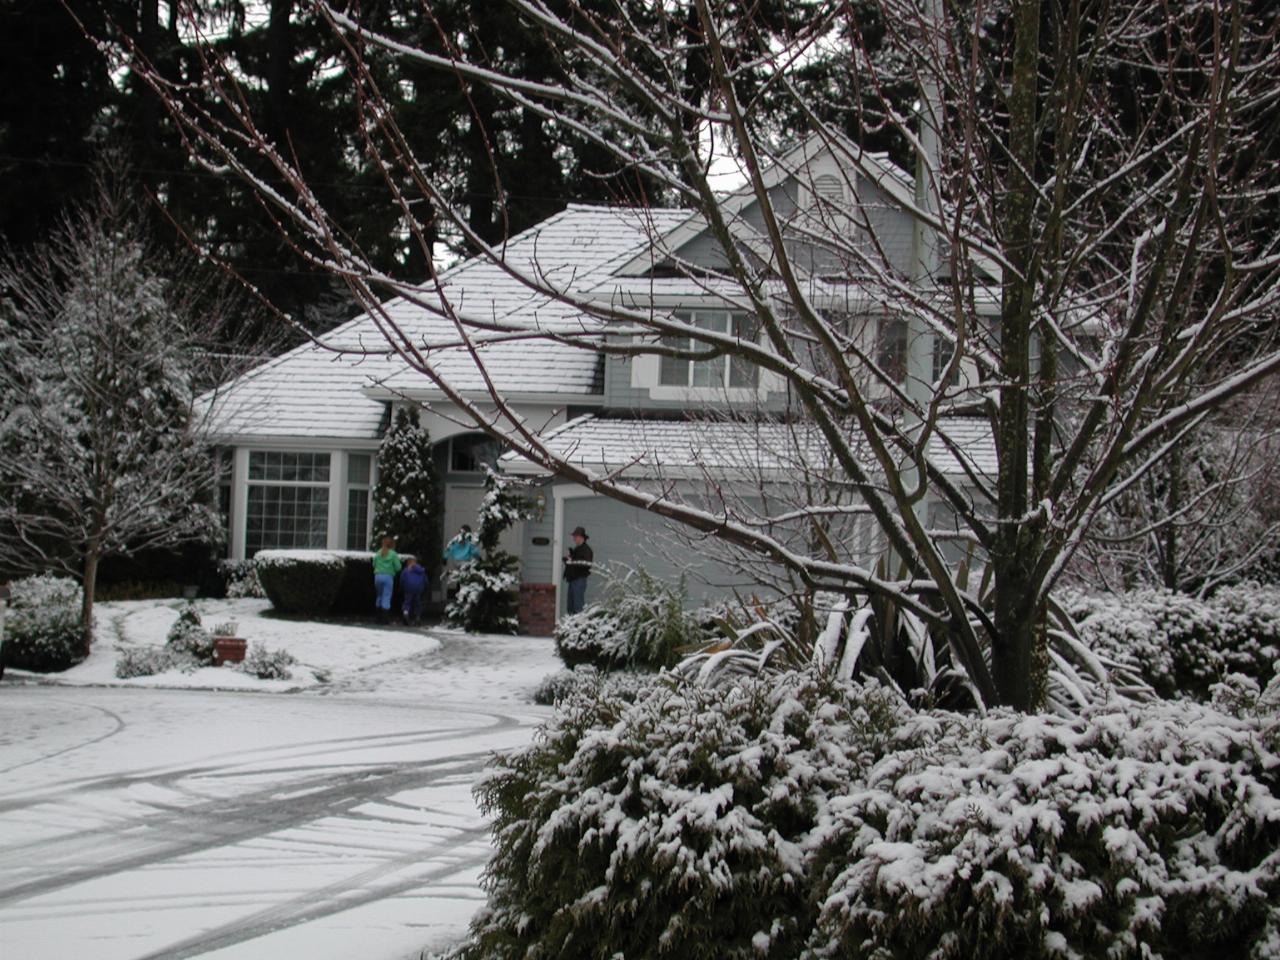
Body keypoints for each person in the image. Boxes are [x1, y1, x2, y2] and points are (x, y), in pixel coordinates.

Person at [442, 524, 480, 599]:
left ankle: (461, 595)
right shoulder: (459, 540)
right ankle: (461, 596)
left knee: (461, 579)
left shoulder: (465, 540)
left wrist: (445, 558)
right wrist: (445, 558)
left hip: (463, 562)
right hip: (461, 562)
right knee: (462, 579)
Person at [562, 526, 594, 615]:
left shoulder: (586, 550)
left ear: (581, 537)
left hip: (579, 580)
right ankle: (571, 627)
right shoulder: (577, 549)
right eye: (574, 536)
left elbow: (586, 564)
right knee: (571, 606)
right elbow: (574, 563)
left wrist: (572, 562)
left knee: (578, 607)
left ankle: (579, 627)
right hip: (572, 580)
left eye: (575, 536)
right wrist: (568, 559)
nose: (574, 538)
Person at [371, 536, 402, 622]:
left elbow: (374, 564)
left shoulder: (379, 552)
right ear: (392, 545)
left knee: (379, 595)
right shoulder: (393, 554)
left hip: (377, 576)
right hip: (388, 576)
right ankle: (385, 618)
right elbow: (398, 567)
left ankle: (378, 616)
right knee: (386, 595)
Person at [399, 557, 428, 625]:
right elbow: (426, 581)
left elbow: (402, 580)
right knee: (417, 603)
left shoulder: (406, 570)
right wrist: (424, 587)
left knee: (407, 602)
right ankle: (417, 617)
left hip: (408, 588)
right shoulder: (421, 570)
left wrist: (402, 587)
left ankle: (406, 613)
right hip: (418, 588)